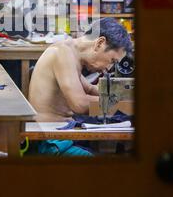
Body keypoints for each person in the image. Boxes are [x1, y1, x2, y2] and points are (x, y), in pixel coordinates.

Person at [28, 18, 132, 156]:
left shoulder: (71, 53)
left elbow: (89, 89)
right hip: (49, 142)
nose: (109, 68)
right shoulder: (62, 52)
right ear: (100, 43)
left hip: (61, 134)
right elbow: (80, 104)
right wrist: (121, 105)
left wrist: (126, 94)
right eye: (112, 61)